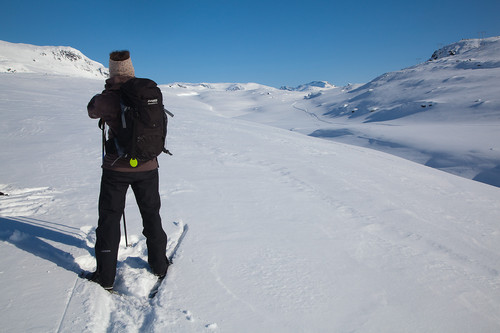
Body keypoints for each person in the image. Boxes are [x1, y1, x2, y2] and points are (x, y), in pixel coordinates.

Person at [86, 50, 169, 290]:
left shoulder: (107, 98)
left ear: (112, 72)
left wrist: (106, 93)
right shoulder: (146, 92)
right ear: (131, 70)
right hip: (149, 166)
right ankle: (159, 265)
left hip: (116, 170)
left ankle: (106, 276)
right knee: (151, 214)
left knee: (110, 219)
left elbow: (92, 111)